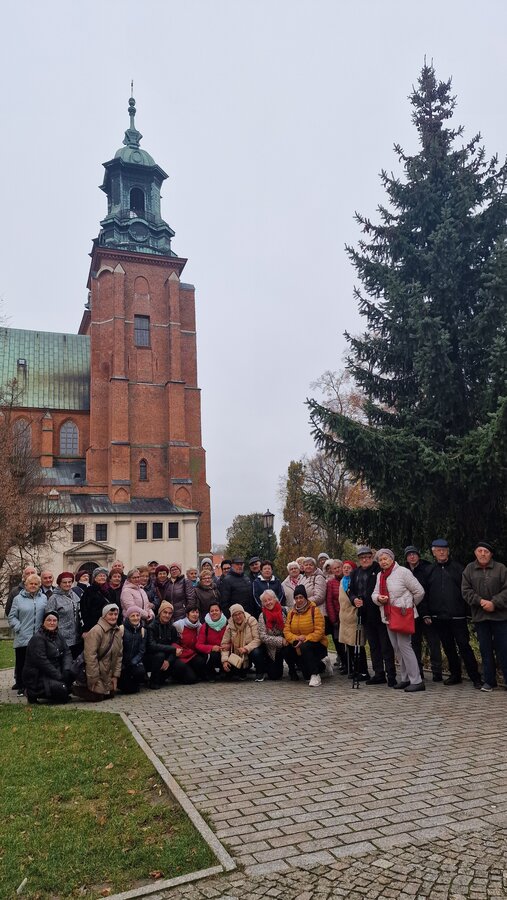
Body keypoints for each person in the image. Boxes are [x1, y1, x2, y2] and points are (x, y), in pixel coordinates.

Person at [425, 539, 481, 687]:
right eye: (438, 550)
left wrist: (468, 612)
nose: (441, 552)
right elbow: (425, 593)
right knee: (448, 647)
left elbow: (467, 591)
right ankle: (455, 675)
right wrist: (427, 613)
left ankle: (475, 677)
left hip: (458, 616)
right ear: (433, 552)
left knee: (464, 646)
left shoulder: (459, 569)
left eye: (444, 549)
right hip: (438, 616)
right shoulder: (429, 570)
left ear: (448, 551)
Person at [372, 548, 425, 693]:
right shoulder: (380, 575)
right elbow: (374, 593)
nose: (383, 562)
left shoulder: (403, 572)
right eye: (380, 560)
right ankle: (405, 678)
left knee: (405, 646)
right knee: (397, 648)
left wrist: (408, 606)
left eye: (385, 558)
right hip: (388, 616)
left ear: (392, 559)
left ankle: (417, 680)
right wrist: (378, 599)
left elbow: (419, 591)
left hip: (402, 615)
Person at [462, 541, 507, 692]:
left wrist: (494, 603)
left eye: (486, 551)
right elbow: (465, 590)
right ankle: (489, 681)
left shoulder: (501, 568)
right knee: (485, 650)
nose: (482, 554)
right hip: (480, 617)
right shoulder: (469, 569)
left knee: (504, 650)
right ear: (475, 553)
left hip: (500, 617)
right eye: (480, 551)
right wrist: (480, 601)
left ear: (491, 554)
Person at [349, 547, 395, 686]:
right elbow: (351, 591)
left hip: (380, 612)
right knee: (374, 646)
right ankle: (379, 673)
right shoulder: (355, 572)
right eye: (362, 557)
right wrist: (354, 599)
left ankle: (391, 675)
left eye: (368, 557)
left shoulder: (378, 569)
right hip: (364, 614)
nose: (365, 560)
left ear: (371, 557)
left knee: (386, 646)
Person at [404, 545, 443, 682]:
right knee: (414, 643)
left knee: (433, 642)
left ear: (418, 555)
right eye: (409, 555)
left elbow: (428, 592)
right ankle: (417, 671)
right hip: (411, 612)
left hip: (427, 611)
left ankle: (437, 671)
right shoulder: (404, 571)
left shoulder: (427, 569)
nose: (412, 556)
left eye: (414, 554)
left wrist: (427, 613)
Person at [8, 573, 47, 696]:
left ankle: (35, 685)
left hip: (39, 637)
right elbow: (12, 616)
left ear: (39, 585)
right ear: (26, 585)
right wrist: (18, 627)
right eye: (31, 584)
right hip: (23, 636)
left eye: (36, 584)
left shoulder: (43, 598)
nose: (33, 586)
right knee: (22, 663)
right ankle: (21, 685)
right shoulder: (18, 599)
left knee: (37, 662)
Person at [284, 585, 331, 687]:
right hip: (298, 643)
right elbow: (286, 631)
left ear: (305, 597)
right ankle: (294, 671)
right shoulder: (291, 613)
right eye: (296, 598)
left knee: (305, 647)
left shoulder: (315, 610)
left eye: (301, 597)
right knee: (287, 648)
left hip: (316, 644)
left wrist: (305, 638)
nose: (299, 600)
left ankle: (316, 674)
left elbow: (319, 631)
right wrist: (296, 638)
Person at [22, 610, 73, 704]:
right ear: (43, 622)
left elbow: (67, 652)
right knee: (61, 690)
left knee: (73, 672)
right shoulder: (38, 638)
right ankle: (32, 693)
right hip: (39, 675)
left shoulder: (58, 635)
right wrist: (59, 676)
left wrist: (66, 669)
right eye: (49, 620)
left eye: (54, 620)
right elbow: (42, 662)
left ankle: (61, 689)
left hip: (56, 670)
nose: (52, 623)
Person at [76, 603, 123, 702]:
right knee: (97, 697)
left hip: (108, 674)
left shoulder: (118, 631)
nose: (113, 617)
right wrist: (93, 680)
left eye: (115, 614)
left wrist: (115, 676)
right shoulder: (96, 631)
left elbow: (119, 655)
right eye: (110, 614)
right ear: (104, 615)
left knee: (110, 695)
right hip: (96, 673)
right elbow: (90, 657)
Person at [338, 561, 369, 680]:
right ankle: (354, 669)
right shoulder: (342, 582)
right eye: (344, 567)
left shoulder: (356, 581)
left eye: (349, 568)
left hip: (354, 616)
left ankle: (363, 671)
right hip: (344, 618)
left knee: (358, 644)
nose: (346, 569)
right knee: (349, 645)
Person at [254, 589, 290, 681]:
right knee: (274, 676)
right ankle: (267, 665)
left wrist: (286, 640)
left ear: (275, 599)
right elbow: (263, 636)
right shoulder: (262, 616)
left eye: (270, 599)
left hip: (287, 644)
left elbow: (291, 628)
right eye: (265, 601)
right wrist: (280, 641)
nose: (268, 602)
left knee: (290, 652)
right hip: (272, 648)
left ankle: (294, 668)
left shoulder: (285, 611)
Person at [46, 572, 82, 658]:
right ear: (59, 583)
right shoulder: (54, 598)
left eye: (70, 582)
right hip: (61, 638)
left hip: (76, 638)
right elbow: (49, 618)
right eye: (65, 582)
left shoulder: (74, 595)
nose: (67, 584)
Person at [220, 603, 261, 677]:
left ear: (243, 613)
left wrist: (246, 648)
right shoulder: (229, 626)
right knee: (232, 673)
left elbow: (257, 639)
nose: (238, 617)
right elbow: (224, 644)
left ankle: (260, 672)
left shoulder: (251, 621)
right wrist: (225, 660)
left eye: (239, 613)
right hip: (237, 654)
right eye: (235, 615)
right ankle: (243, 670)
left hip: (249, 650)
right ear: (232, 617)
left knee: (256, 652)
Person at [145, 601, 179, 689]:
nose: (167, 615)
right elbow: (151, 646)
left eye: (170, 613)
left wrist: (168, 661)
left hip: (166, 657)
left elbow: (175, 645)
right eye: (165, 612)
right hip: (151, 656)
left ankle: (161, 679)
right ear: (160, 613)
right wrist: (171, 648)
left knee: (178, 662)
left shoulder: (172, 628)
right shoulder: (151, 626)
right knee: (160, 655)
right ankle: (153, 681)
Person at [173, 607, 207, 682]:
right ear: (187, 615)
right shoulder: (178, 625)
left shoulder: (199, 626)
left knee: (201, 661)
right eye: (193, 612)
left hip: (192, 654)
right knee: (191, 679)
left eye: (197, 612)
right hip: (180, 655)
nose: (195, 614)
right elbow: (173, 642)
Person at [325, 560, 348, 672]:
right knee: (338, 641)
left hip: (349, 615)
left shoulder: (348, 579)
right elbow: (329, 601)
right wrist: (333, 618)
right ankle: (344, 662)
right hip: (337, 616)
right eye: (334, 568)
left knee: (349, 641)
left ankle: (352, 663)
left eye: (339, 567)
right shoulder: (330, 583)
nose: (337, 570)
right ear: (332, 571)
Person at [195, 601, 228, 679]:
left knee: (231, 674)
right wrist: (212, 648)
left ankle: (224, 671)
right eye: (212, 611)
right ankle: (210, 672)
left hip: (226, 652)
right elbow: (198, 645)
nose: (214, 612)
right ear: (209, 613)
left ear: (221, 612)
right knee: (214, 655)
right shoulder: (205, 626)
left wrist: (229, 646)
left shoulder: (227, 624)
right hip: (213, 654)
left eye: (216, 610)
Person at [118, 607, 147, 694]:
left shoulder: (143, 631)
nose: (135, 618)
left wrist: (133, 662)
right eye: (132, 616)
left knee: (140, 672)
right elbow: (118, 649)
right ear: (128, 617)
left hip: (135, 662)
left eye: (137, 615)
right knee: (126, 688)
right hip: (122, 663)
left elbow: (142, 650)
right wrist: (123, 663)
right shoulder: (121, 629)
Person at [80, 568, 112, 634]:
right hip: (94, 624)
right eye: (100, 576)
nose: (102, 577)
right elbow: (84, 609)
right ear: (95, 578)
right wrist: (87, 627)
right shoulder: (89, 591)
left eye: (104, 576)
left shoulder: (110, 590)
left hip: (109, 622)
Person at [301, 558, 327, 623]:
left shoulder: (319, 577)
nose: (308, 566)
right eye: (306, 565)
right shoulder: (302, 578)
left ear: (315, 567)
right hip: (306, 612)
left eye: (310, 565)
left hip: (317, 613)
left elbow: (320, 597)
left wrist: (303, 603)